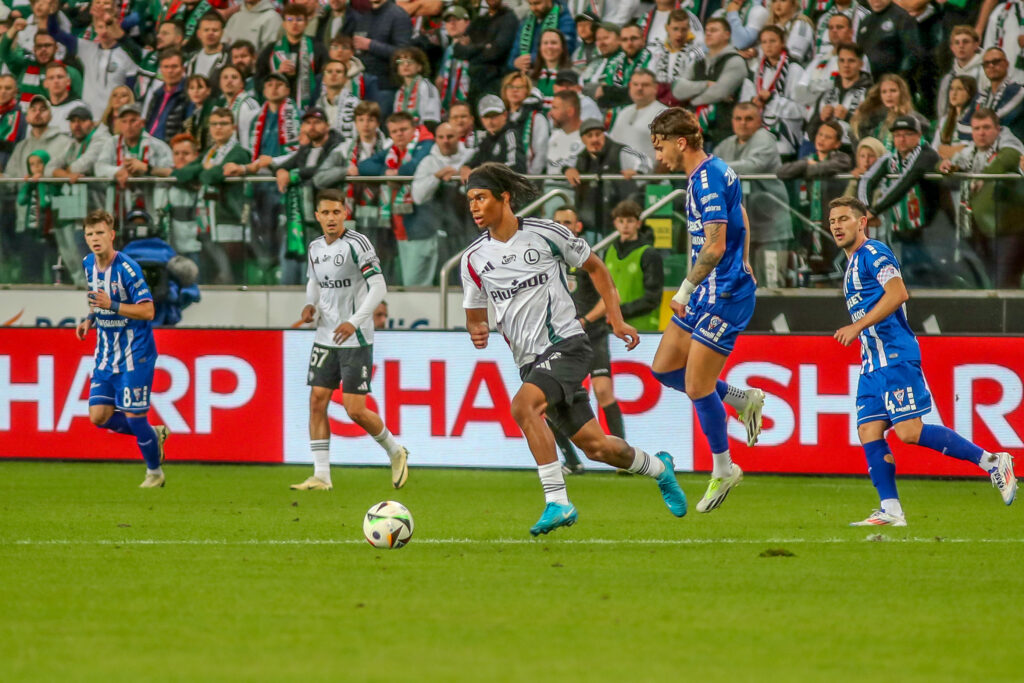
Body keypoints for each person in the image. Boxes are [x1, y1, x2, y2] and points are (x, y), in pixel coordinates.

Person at [460, 162, 687, 535]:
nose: (474, 206)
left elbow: (598, 269)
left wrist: (615, 319)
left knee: (522, 407)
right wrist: (477, 328)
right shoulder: (473, 259)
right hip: (529, 362)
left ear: (504, 198)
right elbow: (474, 311)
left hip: (567, 344)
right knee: (597, 448)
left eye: (481, 197)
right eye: (470, 200)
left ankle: (557, 502)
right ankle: (660, 467)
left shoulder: (546, 234)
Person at [827, 195, 1016, 526]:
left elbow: (898, 293)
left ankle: (992, 461)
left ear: (862, 222)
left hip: (895, 355)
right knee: (869, 429)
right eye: (832, 221)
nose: (837, 226)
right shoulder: (851, 264)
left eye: (844, 219)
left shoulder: (874, 253)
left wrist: (857, 326)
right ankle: (891, 509)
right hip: (872, 363)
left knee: (909, 432)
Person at [648, 107, 765, 513]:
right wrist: (746, 256)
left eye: (660, 145)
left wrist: (683, 290)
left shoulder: (707, 179)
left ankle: (724, 467)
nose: (658, 155)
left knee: (697, 387)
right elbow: (741, 216)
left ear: (680, 142)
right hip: (710, 291)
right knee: (663, 369)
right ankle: (740, 398)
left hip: (724, 294)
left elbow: (715, 246)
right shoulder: (713, 172)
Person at [293, 189, 409, 492]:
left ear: (345, 213)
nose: (331, 218)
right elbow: (314, 281)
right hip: (325, 336)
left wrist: (354, 321)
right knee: (317, 400)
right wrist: (311, 306)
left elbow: (379, 286)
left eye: (337, 212)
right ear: (317, 216)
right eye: (326, 213)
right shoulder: (315, 246)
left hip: (354, 337)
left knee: (354, 409)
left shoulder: (357, 244)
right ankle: (321, 476)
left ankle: (395, 451)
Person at [74, 209, 170, 488]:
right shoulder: (88, 263)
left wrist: (112, 306)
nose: (95, 238)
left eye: (100, 233)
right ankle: (154, 435)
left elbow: (149, 311)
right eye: (90, 234)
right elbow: (97, 298)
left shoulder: (128, 268)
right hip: (105, 354)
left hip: (134, 353)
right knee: (98, 416)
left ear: (112, 235)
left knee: (134, 416)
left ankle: (155, 473)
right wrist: (90, 318)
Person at [939, 108, 1024, 288]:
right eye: (976, 129)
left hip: (1009, 230)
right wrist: (944, 165)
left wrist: (981, 178)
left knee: (1005, 281)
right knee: (986, 281)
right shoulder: (969, 153)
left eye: (986, 127)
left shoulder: (1009, 147)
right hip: (977, 227)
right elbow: (947, 165)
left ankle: (1010, 317)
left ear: (998, 129)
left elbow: (1010, 158)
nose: (981, 133)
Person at [856, 115, 942, 283]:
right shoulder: (891, 158)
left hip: (930, 228)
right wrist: (865, 208)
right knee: (903, 271)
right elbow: (867, 179)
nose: (901, 139)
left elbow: (904, 182)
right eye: (897, 135)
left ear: (918, 135)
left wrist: (874, 211)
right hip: (900, 228)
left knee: (924, 272)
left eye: (907, 134)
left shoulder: (927, 154)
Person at [671, 17, 747, 148]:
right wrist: (705, 84)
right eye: (707, 31)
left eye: (714, 30)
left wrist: (691, 98)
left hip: (722, 132)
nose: (709, 33)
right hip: (694, 130)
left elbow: (718, 92)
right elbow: (677, 89)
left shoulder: (735, 61)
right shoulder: (699, 62)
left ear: (727, 35)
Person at [565, 117, 646, 234]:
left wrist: (638, 171)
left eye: (598, 134)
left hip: (618, 219)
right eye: (590, 136)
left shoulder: (621, 151)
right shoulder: (580, 157)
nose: (594, 139)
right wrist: (567, 169)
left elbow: (644, 160)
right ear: (583, 139)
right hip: (589, 222)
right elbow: (558, 164)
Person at [256, 4, 329, 111]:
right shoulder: (271, 49)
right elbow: (259, 78)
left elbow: (324, 77)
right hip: (278, 108)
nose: (294, 23)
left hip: (310, 107)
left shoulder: (317, 47)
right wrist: (277, 73)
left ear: (306, 23)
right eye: (290, 19)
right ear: (284, 24)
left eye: (299, 20)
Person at [605, 199, 663, 333]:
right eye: (621, 221)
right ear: (615, 224)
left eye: (630, 221)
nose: (625, 226)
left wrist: (618, 311)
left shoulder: (649, 254)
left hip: (642, 328)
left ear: (638, 224)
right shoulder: (610, 251)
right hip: (611, 325)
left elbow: (652, 299)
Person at [450, 0, 518, 105]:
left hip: (494, 81)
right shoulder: (480, 20)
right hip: (474, 83)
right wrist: (483, 47)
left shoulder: (509, 18)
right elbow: (458, 50)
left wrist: (471, 50)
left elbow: (495, 52)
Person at [609, 68, 668, 168]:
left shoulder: (664, 114)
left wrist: (654, 179)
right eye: (635, 84)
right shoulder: (623, 112)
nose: (639, 88)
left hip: (650, 178)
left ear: (655, 88)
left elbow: (670, 152)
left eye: (645, 85)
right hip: (620, 179)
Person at [508, 0, 577, 73]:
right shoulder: (526, 23)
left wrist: (529, 60)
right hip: (526, 74)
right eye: (530, 4)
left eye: (537, 3)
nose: (533, 8)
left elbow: (566, 49)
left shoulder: (565, 20)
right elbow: (512, 57)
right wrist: (515, 63)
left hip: (553, 73)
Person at [936, 26, 986, 120]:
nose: (961, 46)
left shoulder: (985, 73)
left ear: (976, 45)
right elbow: (942, 111)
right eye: (957, 43)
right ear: (952, 48)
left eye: (965, 42)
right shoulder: (948, 78)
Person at [976, 47, 1024, 140]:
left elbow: (998, 120)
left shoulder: (1019, 91)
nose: (991, 66)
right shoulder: (981, 95)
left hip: (1015, 147)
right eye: (986, 63)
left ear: (1006, 64)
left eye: (996, 61)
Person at [142, 49, 189, 141]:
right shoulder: (157, 94)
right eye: (166, 67)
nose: (170, 71)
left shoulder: (188, 94)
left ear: (183, 69)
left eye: (174, 67)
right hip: (149, 145)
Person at [391, 46, 440, 130]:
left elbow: (431, 120)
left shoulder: (427, 87)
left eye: (410, 61)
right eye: (401, 62)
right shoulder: (399, 92)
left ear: (419, 67)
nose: (405, 65)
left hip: (423, 134)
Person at [933, 74, 977, 161]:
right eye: (952, 89)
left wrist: (950, 151)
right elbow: (935, 149)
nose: (954, 93)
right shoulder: (945, 120)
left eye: (960, 89)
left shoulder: (976, 119)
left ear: (970, 94)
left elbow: (970, 148)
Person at [186, 11, 230, 79]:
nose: (210, 33)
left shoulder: (230, 56)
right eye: (206, 30)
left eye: (215, 30)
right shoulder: (192, 59)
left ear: (222, 33)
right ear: (199, 34)